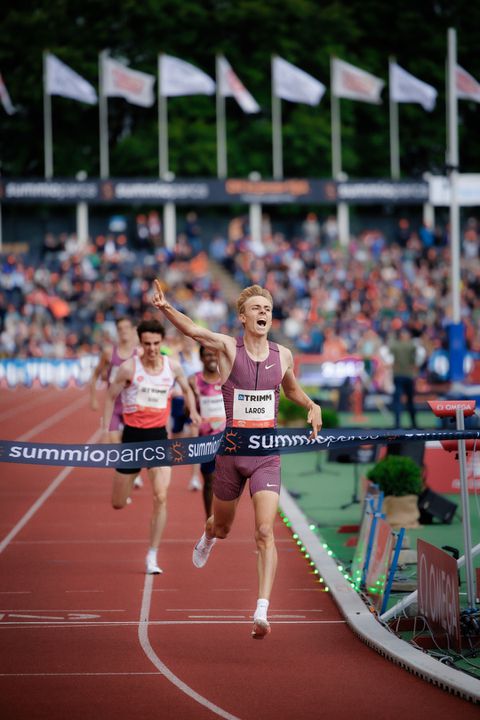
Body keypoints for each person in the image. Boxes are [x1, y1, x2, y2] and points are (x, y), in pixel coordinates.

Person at [152, 281, 322, 638]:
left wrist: (310, 404)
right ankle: (208, 535)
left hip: (266, 458)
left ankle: (261, 610)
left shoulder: (283, 355)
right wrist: (166, 309)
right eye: (257, 309)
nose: (264, 313)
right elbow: (195, 330)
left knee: (264, 531)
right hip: (230, 456)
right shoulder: (229, 348)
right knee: (223, 528)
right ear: (243, 317)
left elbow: (289, 388)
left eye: (268, 309)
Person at [102, 319, 201, 575]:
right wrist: (108, 428)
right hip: (132, 440)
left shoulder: (173, 366)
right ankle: (129, 485)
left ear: (162, 342)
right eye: (147, 344)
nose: (152, 348)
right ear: (140, 343)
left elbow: (187, 387)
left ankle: (152, 554)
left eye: (156, 343)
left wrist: (193, 411)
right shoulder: (128, 368)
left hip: (159, 440)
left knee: (161, 497)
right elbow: (111, 396)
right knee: (118, 503)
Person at [89, 316, 143, 490]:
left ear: (132, 330)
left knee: (133, 443)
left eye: (127, 327)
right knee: (114, 445)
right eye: (120, 328)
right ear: (117, 331)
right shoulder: (108, 352)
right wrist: (93, 398)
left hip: (132, 405)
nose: (124, 331)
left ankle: (134, 474)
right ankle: (125, 473)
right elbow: (95, 374)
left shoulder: (139, 353)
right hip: (114, 405)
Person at [189, 345, 227, 519]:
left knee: (228, 481)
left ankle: (224, 516)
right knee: (209, 481)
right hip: (205, 441)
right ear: (202, 358)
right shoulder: (194, 381)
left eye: (214, 355)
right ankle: (209, 520)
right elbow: (186, 412)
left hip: (228, 438)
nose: (212, 358)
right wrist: (194, 399)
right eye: (207, 355)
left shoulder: (227, 378)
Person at [388, 327, 418, 428]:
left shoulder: (395, 345)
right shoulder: (411, 345)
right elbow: (415, 361)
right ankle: (413, 423)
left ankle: (397, 423)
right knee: (410, 400)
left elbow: (388, 356)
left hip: (398, 375)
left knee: (398, 401)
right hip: (408, 375)